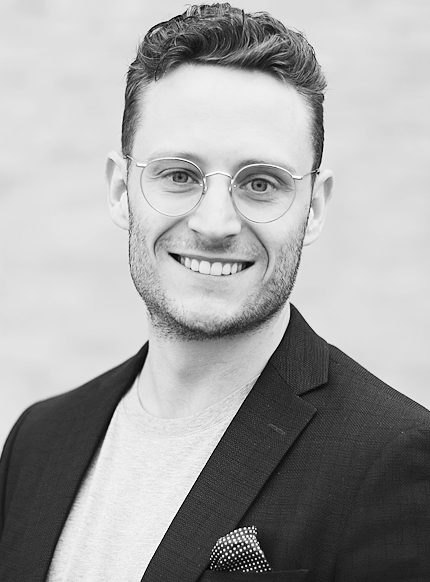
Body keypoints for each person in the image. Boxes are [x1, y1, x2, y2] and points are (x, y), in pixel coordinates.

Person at [1, 3, 429, 581]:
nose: (215, 223)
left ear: (314, 207)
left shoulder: (393, 459)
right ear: (122, 190)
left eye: (261, 183)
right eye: (179, 175)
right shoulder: (38, 441)